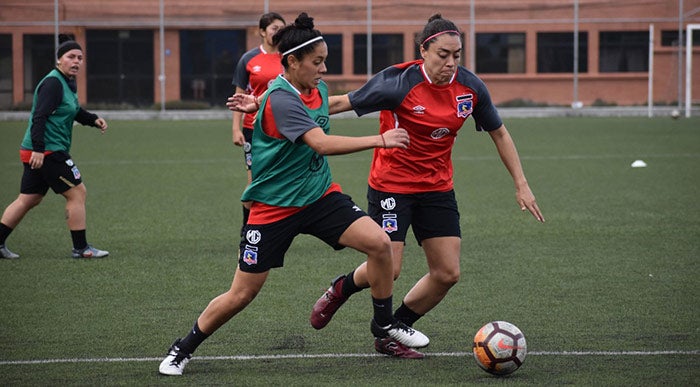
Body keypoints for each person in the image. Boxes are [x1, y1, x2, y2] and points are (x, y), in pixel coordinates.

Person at [158, 12, 428, 377]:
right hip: (273, 207)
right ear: (292, 62)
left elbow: (327, 104)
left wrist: (383, 90)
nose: (324, 68)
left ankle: (383, 326)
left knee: (380, 244)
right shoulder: (282, 99)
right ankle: (183, 347)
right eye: (317, 62)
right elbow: (320, 143)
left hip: (319, 197)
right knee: (242, 293)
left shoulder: (311, 89)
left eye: (324, 60)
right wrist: (380, 139)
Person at [308, 14, 545, 356]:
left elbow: (500, 133)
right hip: (392, 184)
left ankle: (393, 330)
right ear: (424, 50)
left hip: (437, 187)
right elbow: (342, 102)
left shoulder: (470, 88)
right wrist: (278, 107)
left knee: (447, 273)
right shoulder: (398, 82)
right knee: (391, 265)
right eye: (443, 55)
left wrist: (522, 184)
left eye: (457, 55)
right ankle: (341, 288)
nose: (451, 63)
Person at [0, 37, 109, 260]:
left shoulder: (67, 81)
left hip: (38, 149)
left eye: (80, 58)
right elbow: (39, 116)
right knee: (77, 192)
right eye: (71, 57)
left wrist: (92, 119)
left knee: (29, 198)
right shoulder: (53, 83)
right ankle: (81, 248)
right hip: (48, 151)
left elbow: (73, 110)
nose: (76, 61)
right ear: (59, 60)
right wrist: (39, 150)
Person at [231, 12, 286, 236]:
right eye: (274, 28)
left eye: (282, 28)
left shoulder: (289, 57)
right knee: (255, 182)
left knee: (283, 178)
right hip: (254, 129)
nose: (278, 32)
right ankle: (249, 229)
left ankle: (279, 226)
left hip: (284, 129)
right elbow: (239, 96)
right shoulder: (249, 59)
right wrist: (235, 128)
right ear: (262, 31)